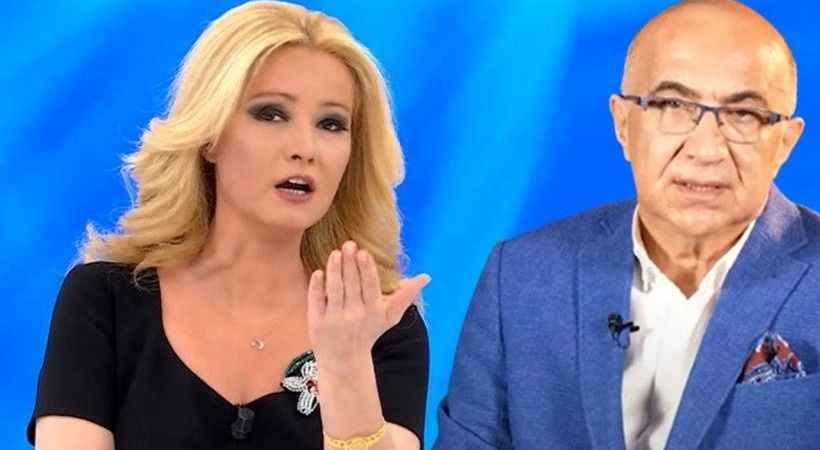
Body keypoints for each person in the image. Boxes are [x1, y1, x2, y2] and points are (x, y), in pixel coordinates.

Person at [28, 2, 430, 449]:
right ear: (211, 135)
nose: (305, 148)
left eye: (331, 124)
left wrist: (346, 365)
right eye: (271, 114)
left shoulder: (381, 327)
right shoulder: (104, 300)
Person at [434, 1, 818, 449]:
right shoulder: (521, 275)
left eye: (744, 114)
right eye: (673, 105)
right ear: (622, 123)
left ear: (785, 141)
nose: (706, 149)